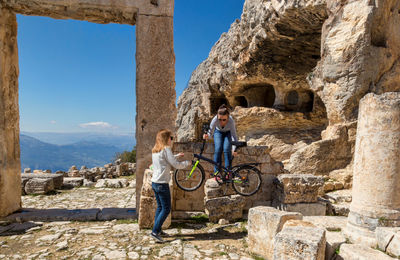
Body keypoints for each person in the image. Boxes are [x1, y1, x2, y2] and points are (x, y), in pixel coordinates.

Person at [150, 129, 190, 243]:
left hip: (155, 182)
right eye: (171, 138)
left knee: (160, 207)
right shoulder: (166, 149)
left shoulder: (156, 150)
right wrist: (187, 163)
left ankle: (158, 230)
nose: (172, 140)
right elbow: (175, 165)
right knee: (166, 209)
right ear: (166, 139)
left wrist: (177, 155)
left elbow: (166, 161)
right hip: (162, 184)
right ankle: (154, 231)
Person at [203, 104, 238, 173]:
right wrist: (206, 136)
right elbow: (210, 133)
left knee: (226, 149)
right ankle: (217, 173)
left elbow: (234, 135)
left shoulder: (231, 121)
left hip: (228, 133)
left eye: (224, 120)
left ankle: (228, 172)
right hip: (218, 132)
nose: (221, 122)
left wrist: (234, 149)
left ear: (228, 117)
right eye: (220, 119)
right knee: (218, 148)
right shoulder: (215, 120)